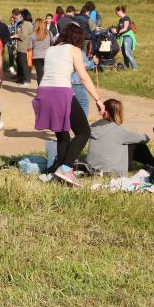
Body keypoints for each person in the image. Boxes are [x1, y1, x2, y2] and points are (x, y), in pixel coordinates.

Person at [32, 23, 104, 186]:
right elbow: (84, 77)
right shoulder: (74, 50)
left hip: (44, 91)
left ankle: (59, 169)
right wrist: (98, 100)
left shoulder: (51, 49)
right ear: (78, 39)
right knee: (83, 132)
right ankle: (66, 167)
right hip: (60, 92)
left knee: (62, 133)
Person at [87, 99, 154, 176]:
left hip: (91, 167)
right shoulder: (119, 130)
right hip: (112, 171)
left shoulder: (93, 126)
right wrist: (146, 136)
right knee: (138, 144)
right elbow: (145, 139)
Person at [11, 9, 33, 84]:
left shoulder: (26, 23)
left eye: (21, 15)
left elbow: (23, 35)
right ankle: (20, 78)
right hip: (23, 46)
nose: (20, 16)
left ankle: (27, 79)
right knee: (20, 63)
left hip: (23, 46)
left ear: (24, 15)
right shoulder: (27, 23)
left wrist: (15, 36)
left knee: (23, 63)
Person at [113, 5, 137, 70]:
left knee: (127, 53)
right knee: (124, 53)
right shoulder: (120, 19)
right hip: (122, 37)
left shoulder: (126, 18)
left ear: (120, 11)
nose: (116, 13)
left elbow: (125, 28)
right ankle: (126, 67)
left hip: (127, 37)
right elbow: (119, 28)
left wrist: (117, 31)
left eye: (116, 12)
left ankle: (134, 67)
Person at [29, 18, 53, 85]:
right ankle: (47, 88)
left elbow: (30, 47)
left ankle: (40, 89)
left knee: (39, 74)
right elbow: (53, 42)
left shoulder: (32, 35)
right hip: (47, 55)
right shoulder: (49, 33)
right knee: (47, 73)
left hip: (37, 56)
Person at [7, 9, 23, 75]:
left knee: (19, 59)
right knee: (15, 58)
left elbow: (20, 33)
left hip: (19, 43)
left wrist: (13, 36)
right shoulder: (16, 23)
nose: (13, 18)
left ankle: (20, 75)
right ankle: (18, 74)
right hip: (13, 43)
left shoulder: (20, 22)